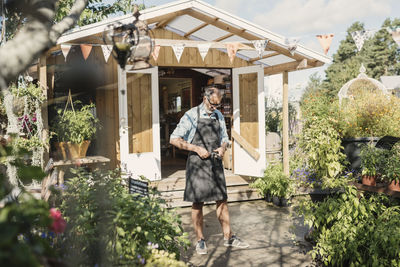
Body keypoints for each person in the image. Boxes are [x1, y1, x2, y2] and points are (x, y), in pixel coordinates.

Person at [170, 86, 249, 255]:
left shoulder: (218, 115)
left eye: (218, 105)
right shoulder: (191, 115)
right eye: (213, 104)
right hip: (197, 164)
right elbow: (174, 139)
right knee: (198, 203)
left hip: (215, 163)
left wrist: (222, 148)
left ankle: (228, 237)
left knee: (222, 200)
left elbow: (224, 139)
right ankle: (200, 240)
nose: (215, 108)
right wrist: (196, 148)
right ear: (205, 98)